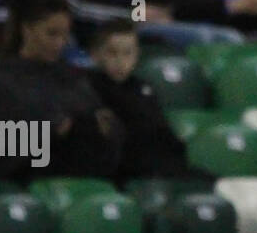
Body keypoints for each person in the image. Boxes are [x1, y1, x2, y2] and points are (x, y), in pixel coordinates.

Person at [0, 0, 124, 184]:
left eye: (64, 35)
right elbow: (9, 150)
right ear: (27, 29)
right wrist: (58, 130)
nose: (59, 43)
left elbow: (103, 121)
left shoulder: (70, 74)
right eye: (52, 34)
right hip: (31, 181)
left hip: (85, 175)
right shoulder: (1, 81)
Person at [86, 20, 212, 186]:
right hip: (131, 172)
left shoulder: (143, 87)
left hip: (163, 166)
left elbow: (162, 131)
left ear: (137, 54)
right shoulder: (91, 88)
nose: (120, 61)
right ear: (95, 55)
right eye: (112, 53)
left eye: (127, 53)